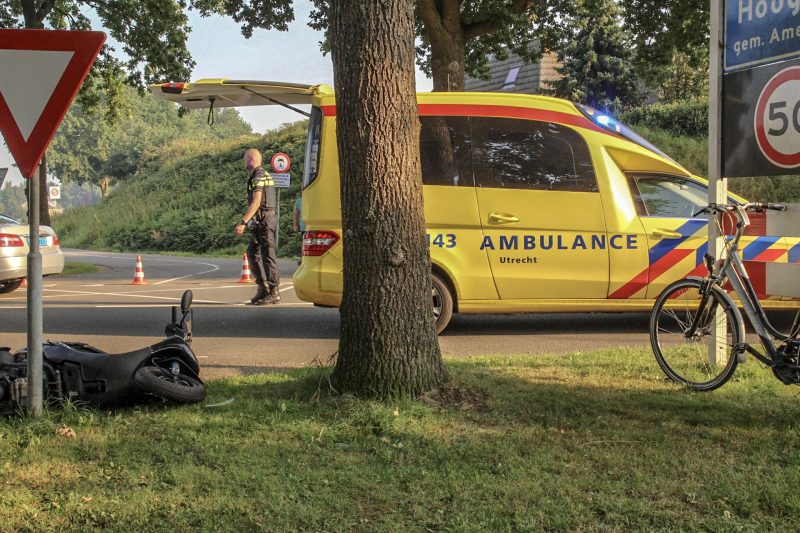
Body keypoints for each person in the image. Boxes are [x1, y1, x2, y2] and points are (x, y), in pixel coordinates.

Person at [235, 148, 280, 305]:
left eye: (245, 159)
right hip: (262, 221)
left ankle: (274, 292)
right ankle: (262, 288)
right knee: (252, 253)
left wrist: (243, 222)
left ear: (251, 160)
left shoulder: (258, 176)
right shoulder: (258, 175)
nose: (244, 162)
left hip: (265, 221)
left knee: (268, 255)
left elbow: (256, 202)